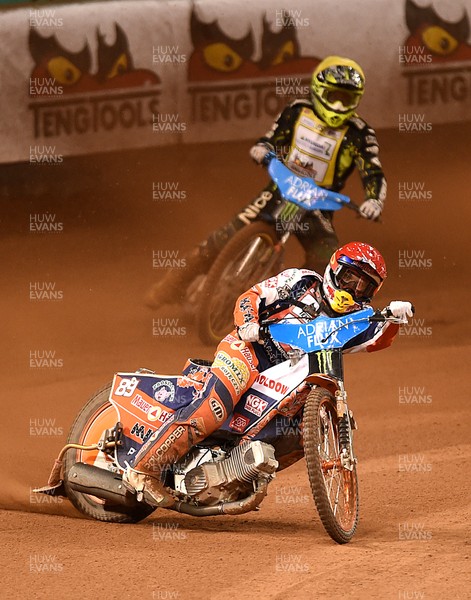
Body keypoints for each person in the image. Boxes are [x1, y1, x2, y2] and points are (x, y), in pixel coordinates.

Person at [126, 241, 413, 507]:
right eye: (351, 278)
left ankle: (239, 477)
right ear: (335, 270)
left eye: (364, 287)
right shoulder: (301, 281)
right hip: (250, 352)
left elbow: (377, 340)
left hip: (288, 379)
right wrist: (248, 322)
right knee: (215, 407)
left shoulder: (355, 318)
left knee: (305, 432)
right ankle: (143, 471)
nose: (354, 289)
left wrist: (396, 318)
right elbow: (252, 296)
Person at [146, 55, 387, 309]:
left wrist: (374, 200)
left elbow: (372, 171)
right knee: (222, 238)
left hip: (318, 204)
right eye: (333, 96)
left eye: (346, 99)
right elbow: (271, 137)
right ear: (318, 91)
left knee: (326, 260)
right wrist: (262, 148)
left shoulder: (360, 134)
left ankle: (288, 309)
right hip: (280, 190)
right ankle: (171, 287)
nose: (338, 105)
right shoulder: (297, 111)